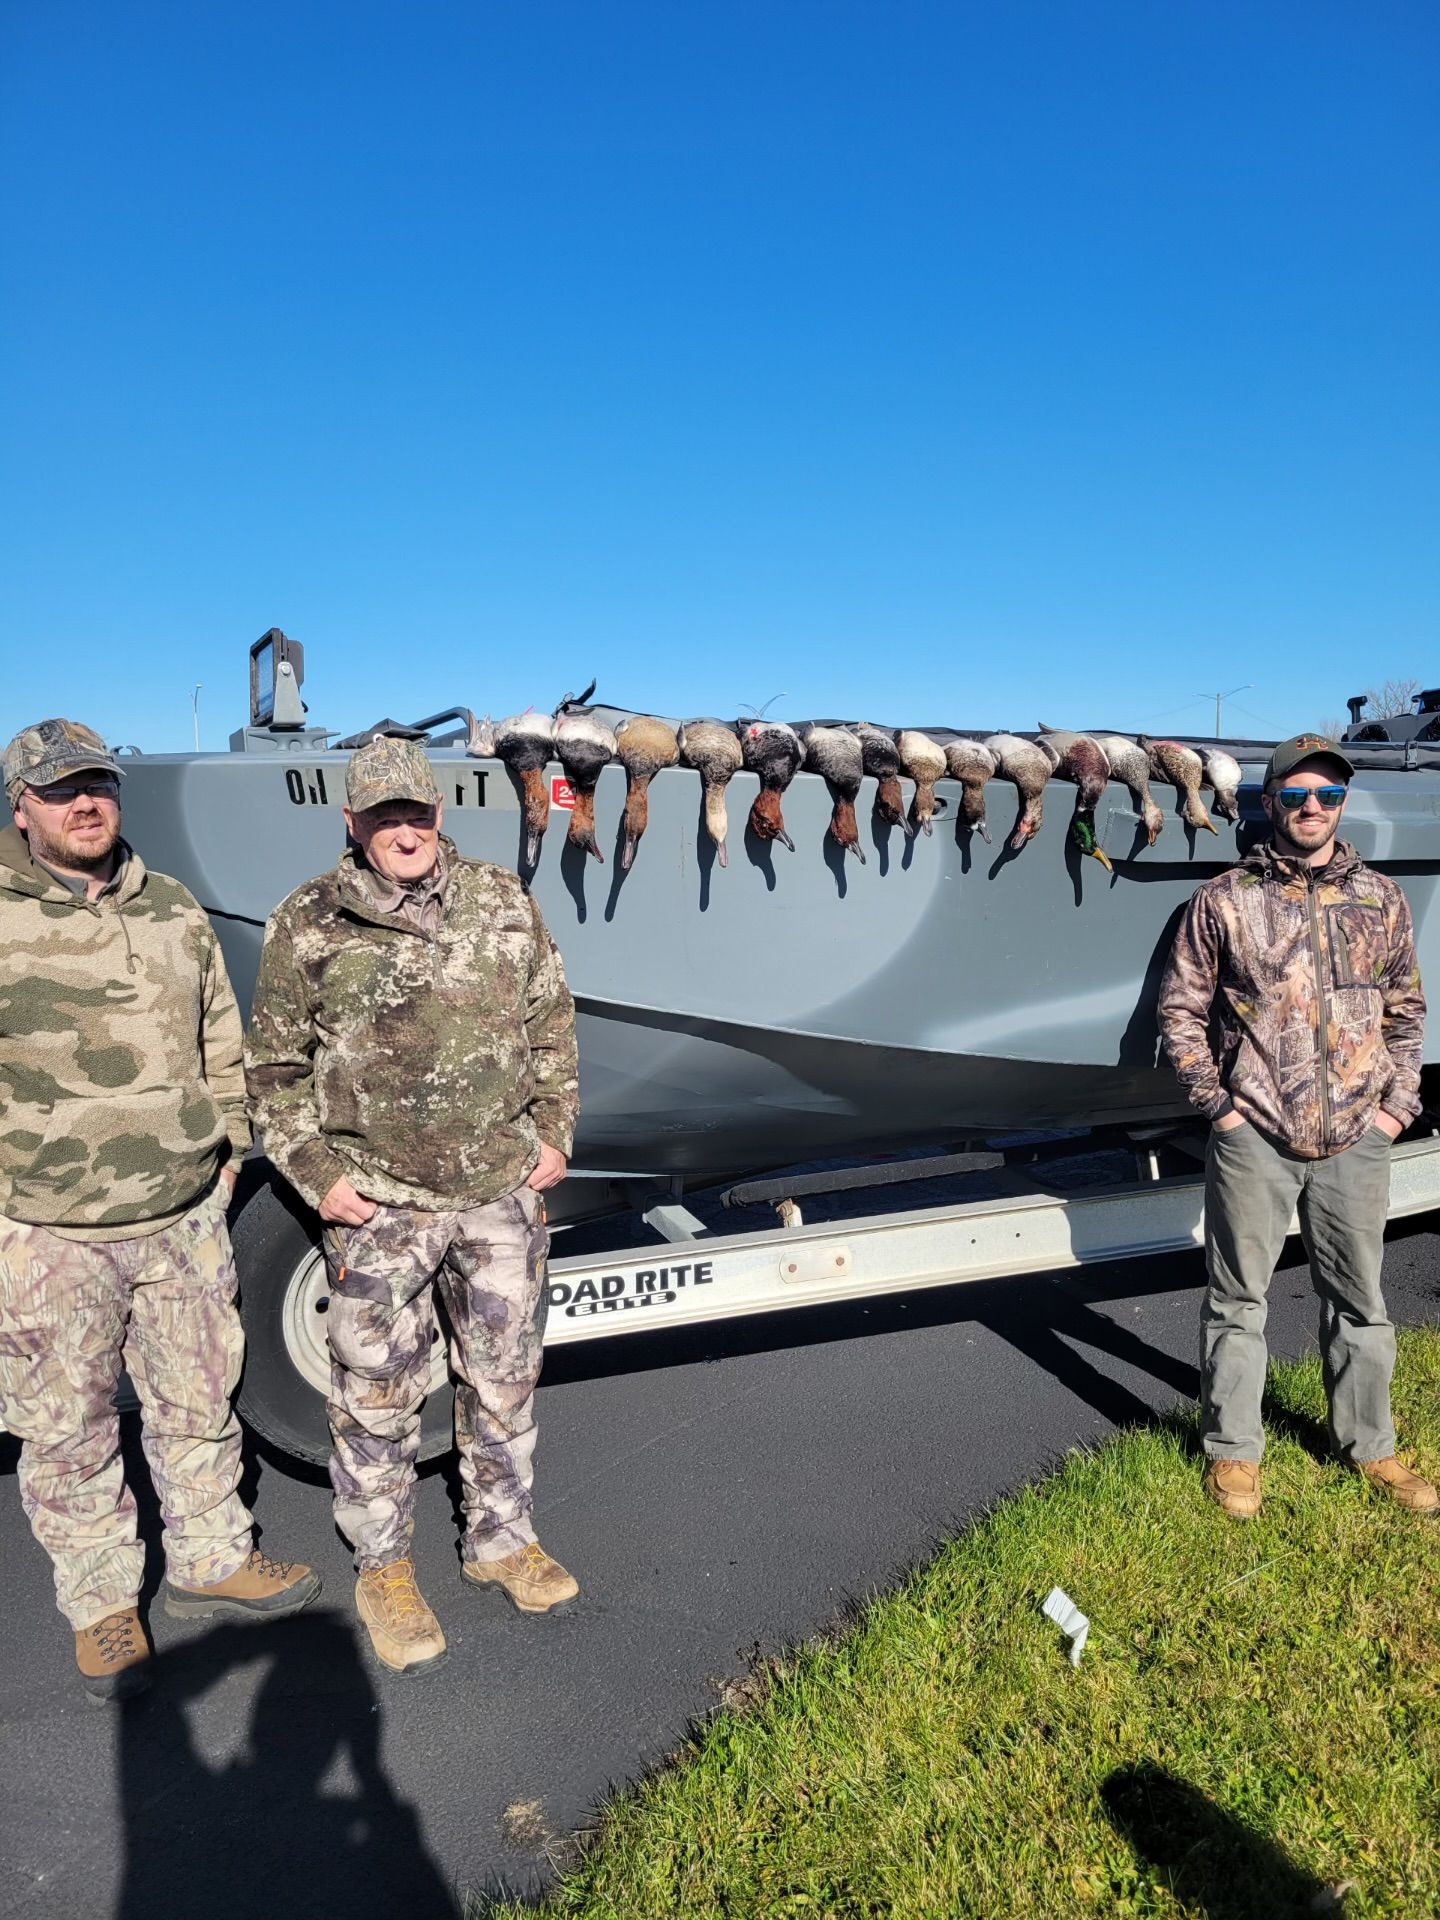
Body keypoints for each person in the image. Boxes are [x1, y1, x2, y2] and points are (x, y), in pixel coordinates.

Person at [244, 734, 580, 1677]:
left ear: (438, 814)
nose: (403, 831)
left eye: (415, 813)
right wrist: (317, 1174)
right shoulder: (308, 920)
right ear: (352, 822)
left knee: (503, 1379)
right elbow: (273, 1072)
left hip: (497, 1195)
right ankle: (384, 1567)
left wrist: (554, 1131)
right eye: (383, 816)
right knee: (376, 1397)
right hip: (379, 1207)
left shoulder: (502, 902)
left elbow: (552, 1023)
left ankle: (502, 1538)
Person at [0, 719, 321, 1706]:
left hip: (181, 1214)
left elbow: (221, 1035)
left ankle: (211, 1560)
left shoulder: (172, 906)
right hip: (49, 1229)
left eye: (97, 785)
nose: (85, 804)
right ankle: (103, 1602)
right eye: (61, 790)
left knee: (199, 1399)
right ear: (22, 808)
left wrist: (227, 1153)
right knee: (67, 1428)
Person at [1159, 731, 1437, 1519]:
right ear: (1270, 802)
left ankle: (1371, 1448)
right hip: (1255, 1136)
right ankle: (1233, 1452)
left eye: (1328, 795)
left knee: (1360, 1301)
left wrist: (1395, 1109)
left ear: (1342, 804)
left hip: (1358, 1136)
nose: (1312, 807)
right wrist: (1220, 1108)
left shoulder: (1381, 898)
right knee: (1236, 1301)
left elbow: (1406, 1012)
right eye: (1296, 794)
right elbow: (1181, 1013)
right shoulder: (1224, 899)